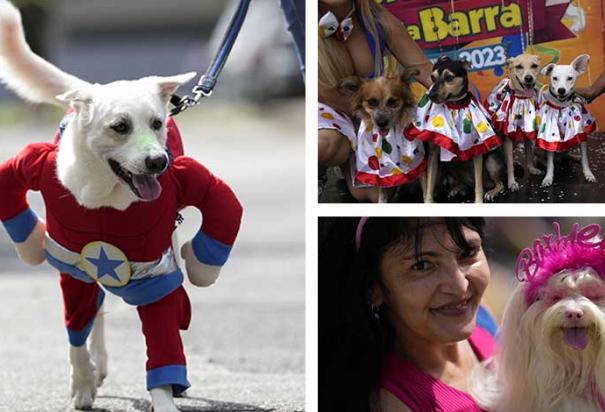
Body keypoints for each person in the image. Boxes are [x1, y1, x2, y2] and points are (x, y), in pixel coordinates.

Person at [319, 217, 497, 411]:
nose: (460, 287)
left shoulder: (479, 317)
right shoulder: (393, 402)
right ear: (374, 287)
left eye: (468, 252)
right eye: (422, 265)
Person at [318, 0, 433, 202]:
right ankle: (318, 177)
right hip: (333, 113)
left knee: (376, 194)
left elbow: (423, 68)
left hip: (375, 113)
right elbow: (329, 95)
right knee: (324, 144)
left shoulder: (378, 20)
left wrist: (459, 98)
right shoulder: (305, 23)